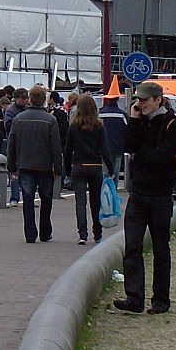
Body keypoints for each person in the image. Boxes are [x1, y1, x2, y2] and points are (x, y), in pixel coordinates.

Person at [113, 82, 176, 315]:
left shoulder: (172, 124)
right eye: (138, 100)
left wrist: (143, 152)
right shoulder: (140, 122)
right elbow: (128, 146)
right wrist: (134, 121)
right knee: (132, 245)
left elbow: (163, 157)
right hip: (139, 192)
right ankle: (134, 298)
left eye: (144, 100)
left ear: (158, 100)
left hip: (161, 194)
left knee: (161, 248)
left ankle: (161, 299)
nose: (140, 103)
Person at [7, 85, 63, 243]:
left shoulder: (18, 119)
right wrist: (58, 168)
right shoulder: (51, 120)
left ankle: (30, 233)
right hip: (45, 166)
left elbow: (12, 144)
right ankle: (45, 231)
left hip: (25, 164)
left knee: (28, 198)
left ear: (30, 99)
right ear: (44, 99)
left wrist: (11, 165)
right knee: (46, 199)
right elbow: (56, 146)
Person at [64, 95, 113, 244]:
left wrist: (68, 170)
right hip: (95, 166)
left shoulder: (73, 127)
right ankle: (97, 232)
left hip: (78, 166)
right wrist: (110, 169)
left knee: (80, 202)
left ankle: (82, 234)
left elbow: (68, 150)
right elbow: (105, 149)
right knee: (95, 201)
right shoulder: (99, 126)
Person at [3, 88, 28, 204]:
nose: (25, 101)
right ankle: (14, 197)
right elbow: (8, 125)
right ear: (17, 98)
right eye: (23, 98)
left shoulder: (27, 109)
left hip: (26, 143)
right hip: (14, 143)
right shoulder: (11, 110)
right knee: (14, 171)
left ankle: (28, 196)